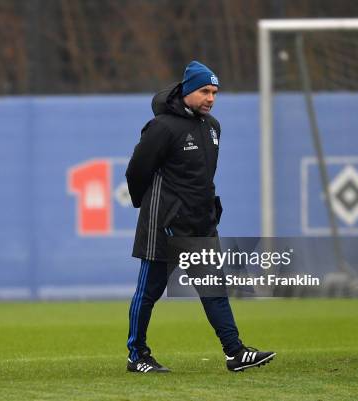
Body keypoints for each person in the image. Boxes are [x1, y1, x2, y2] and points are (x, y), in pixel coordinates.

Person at [124, 60, 275, 373]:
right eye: (205, 90)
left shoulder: (213, 127)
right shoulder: (162, 127)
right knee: (148, 293)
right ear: (188, 90)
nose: (211, 97)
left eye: (215, 92)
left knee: (215, 291)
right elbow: (136, 171)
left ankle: (235, 353)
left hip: (200, 225)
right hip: (164, 226)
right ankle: (136, 355)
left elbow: (203, 178)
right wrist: (149, 206)